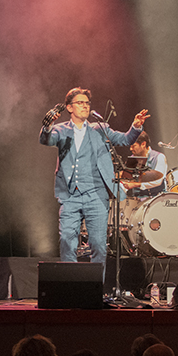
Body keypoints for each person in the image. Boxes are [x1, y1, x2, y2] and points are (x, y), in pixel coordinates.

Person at [39, 87, 149, 283]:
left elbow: (125, 139)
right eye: (80, 103)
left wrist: (136, 126)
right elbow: (46, 139)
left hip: (96, 195)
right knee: (67, 241)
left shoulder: (100, 129)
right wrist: (47, 126)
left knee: (98, 244)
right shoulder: (60, 130)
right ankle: (71, 284)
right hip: (70, 195)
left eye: (87, 103)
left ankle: (95, 287)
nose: (84, 106)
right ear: (69, 108)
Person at [120, 131, 167, 199]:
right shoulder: (133, 159)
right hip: (137, 201)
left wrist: (135, 185)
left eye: (133, 146)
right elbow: (126, 181)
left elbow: (157, 181)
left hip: (157, 200)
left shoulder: (159, 157)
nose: (130, 149)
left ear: (143, 144)